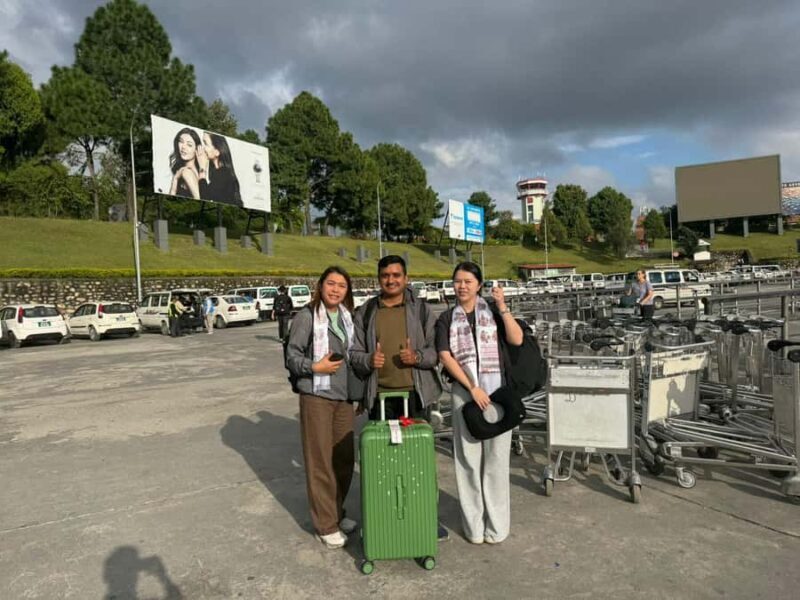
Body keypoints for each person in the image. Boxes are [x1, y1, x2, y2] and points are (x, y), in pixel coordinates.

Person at [349, 254, 446, 538]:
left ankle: (426, 515)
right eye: (385, 276)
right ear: (378, 279)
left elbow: (435, 352)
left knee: (420, 462)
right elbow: (353, 353)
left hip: (414, 396)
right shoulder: (366, 312)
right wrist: (369, 360)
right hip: (379, 398)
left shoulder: (422, 310)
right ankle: (386, 515)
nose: (390, 280)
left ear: (406, 278)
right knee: (383, 462)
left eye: (396, 275)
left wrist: (416, 356)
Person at [435, 261, 523, 545]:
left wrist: (503, 306)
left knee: (496, 460)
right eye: (457, 281)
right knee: (469, 460)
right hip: (464, 392)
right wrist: (472, 387)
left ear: (479, 285)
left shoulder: (492, 313)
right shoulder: (447, 318)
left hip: (496, 391)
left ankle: (497, 527)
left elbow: (517, 339)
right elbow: (445, 355)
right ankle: (473, 527)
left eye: (467, 281)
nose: (461, 286)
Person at [285, 266, 358, 549]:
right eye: (331, 283)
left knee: (343, 459)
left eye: (342, 285)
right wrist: (314, 367)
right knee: (320, 462)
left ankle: (337, 513)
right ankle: (325, 524)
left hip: (343, 397)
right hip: (316, 395)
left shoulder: (347, 317)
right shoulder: (306, 317)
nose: (336, 289)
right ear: (320, 285)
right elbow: (292, 356)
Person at [197, 132, 242, 207]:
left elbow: (205, 197)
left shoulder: (224, 174)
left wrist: (202, 168)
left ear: (217, 152)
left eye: (206, 144)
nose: (203, 148)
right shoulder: (220, 173)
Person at [169, 128, 202, 199]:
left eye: (189, 145)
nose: (183, 147)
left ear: (197, 149)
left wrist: (175, 180)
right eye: (181, 141)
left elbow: (200, 198)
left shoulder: (186, 172)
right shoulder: (196, 172)